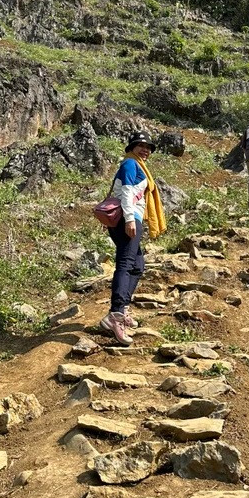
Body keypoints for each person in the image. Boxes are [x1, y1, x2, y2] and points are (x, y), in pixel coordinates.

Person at [99, 131, 166, 346]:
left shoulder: (138, 166)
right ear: (131, 147)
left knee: (137, 265)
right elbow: (127, 193)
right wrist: (129, 220)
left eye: (149, 147)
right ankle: (115, 314)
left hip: (131, 217)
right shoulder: (130, 164)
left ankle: (122, 307)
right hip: (128, 219)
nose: (145, 150)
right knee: (126, 264)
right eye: (141, 146)